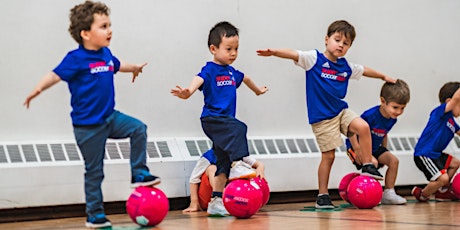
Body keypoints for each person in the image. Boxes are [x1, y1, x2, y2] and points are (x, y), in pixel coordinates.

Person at [23, 1, 160, 228]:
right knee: (95, 172)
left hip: (110, 118)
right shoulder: (75, 59)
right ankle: (94, 215)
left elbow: (117, 64)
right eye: (104, 26)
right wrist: (38, 89)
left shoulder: (106, 53)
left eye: (109, 25)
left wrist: (134, 67)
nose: (110, 30)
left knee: (138, 128)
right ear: (85, 33)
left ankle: (139, 172)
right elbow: (55, 75)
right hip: (88, 127)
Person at [256, 20, 396, 209]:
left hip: (340, 111)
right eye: (337, 40)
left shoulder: (345, 67)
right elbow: (294, 53)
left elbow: (364, 70)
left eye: (345, 44)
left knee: (363, 127)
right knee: (328, 157)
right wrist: (274, 52)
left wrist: (383, 77)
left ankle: (367, 165)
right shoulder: (314, 59)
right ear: (327, 39)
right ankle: (322, 196)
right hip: (323, 119)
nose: (340, 45)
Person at [171, 21, 268, 216]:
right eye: (228, 49)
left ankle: (216, 200)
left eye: (236, 49)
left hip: (224, 122)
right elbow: (197, 79)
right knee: (240, 128)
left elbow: (246, 79)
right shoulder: (210, 69)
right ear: (213, 49)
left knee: (222, 162)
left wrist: (258, 91)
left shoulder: (232, 72)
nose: (233, 53)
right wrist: (188, 92)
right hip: (213, 119)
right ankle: (239, 163)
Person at [345, 79, 410, 205]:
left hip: (374, 148)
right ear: (383, 101)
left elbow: (384, 134)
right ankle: (369, 194)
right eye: (395, 107)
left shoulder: (392, 119)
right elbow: (351, 131)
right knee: (372, 163)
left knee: (394, 161)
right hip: (355, 147)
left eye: (402, 108)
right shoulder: (370, 115)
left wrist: (384, 151)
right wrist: (357, 149)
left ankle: (389, 193)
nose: (399, 112)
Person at [411, 82, 460, 202]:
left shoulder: (452, 123)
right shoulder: (440, 113)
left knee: (455, 163)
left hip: (436, 155)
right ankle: (422, 194)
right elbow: (456, 98)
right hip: (424, 154)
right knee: (443, 178)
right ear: (450, 102)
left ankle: (442, 192)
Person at [182, 149, 265, 213]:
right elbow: (193, 179)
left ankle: (229, 201)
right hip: (206, 197)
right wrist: (194, 203)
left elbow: (259, 164)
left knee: (246, 172)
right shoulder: (208, 156)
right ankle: (219, 198)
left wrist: (259, 171)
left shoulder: (239, 153)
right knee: (213, 168)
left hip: (229, 196)